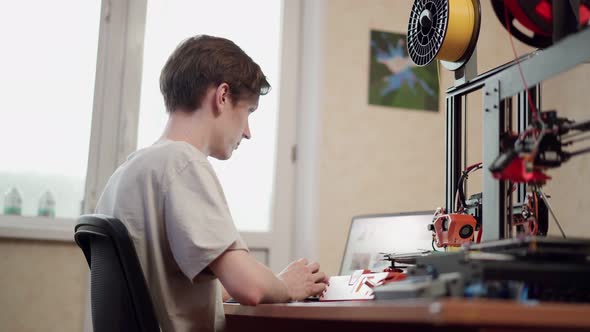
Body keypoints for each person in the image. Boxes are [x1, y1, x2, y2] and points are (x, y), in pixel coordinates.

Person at [95, 35, 329, 332]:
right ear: (222, 96)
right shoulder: (183, 163)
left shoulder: (130, 170)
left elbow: (166, 294)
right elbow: (250, 289)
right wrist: (285, 285)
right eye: (248, 113)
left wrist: (274, 281)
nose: (247, 132)